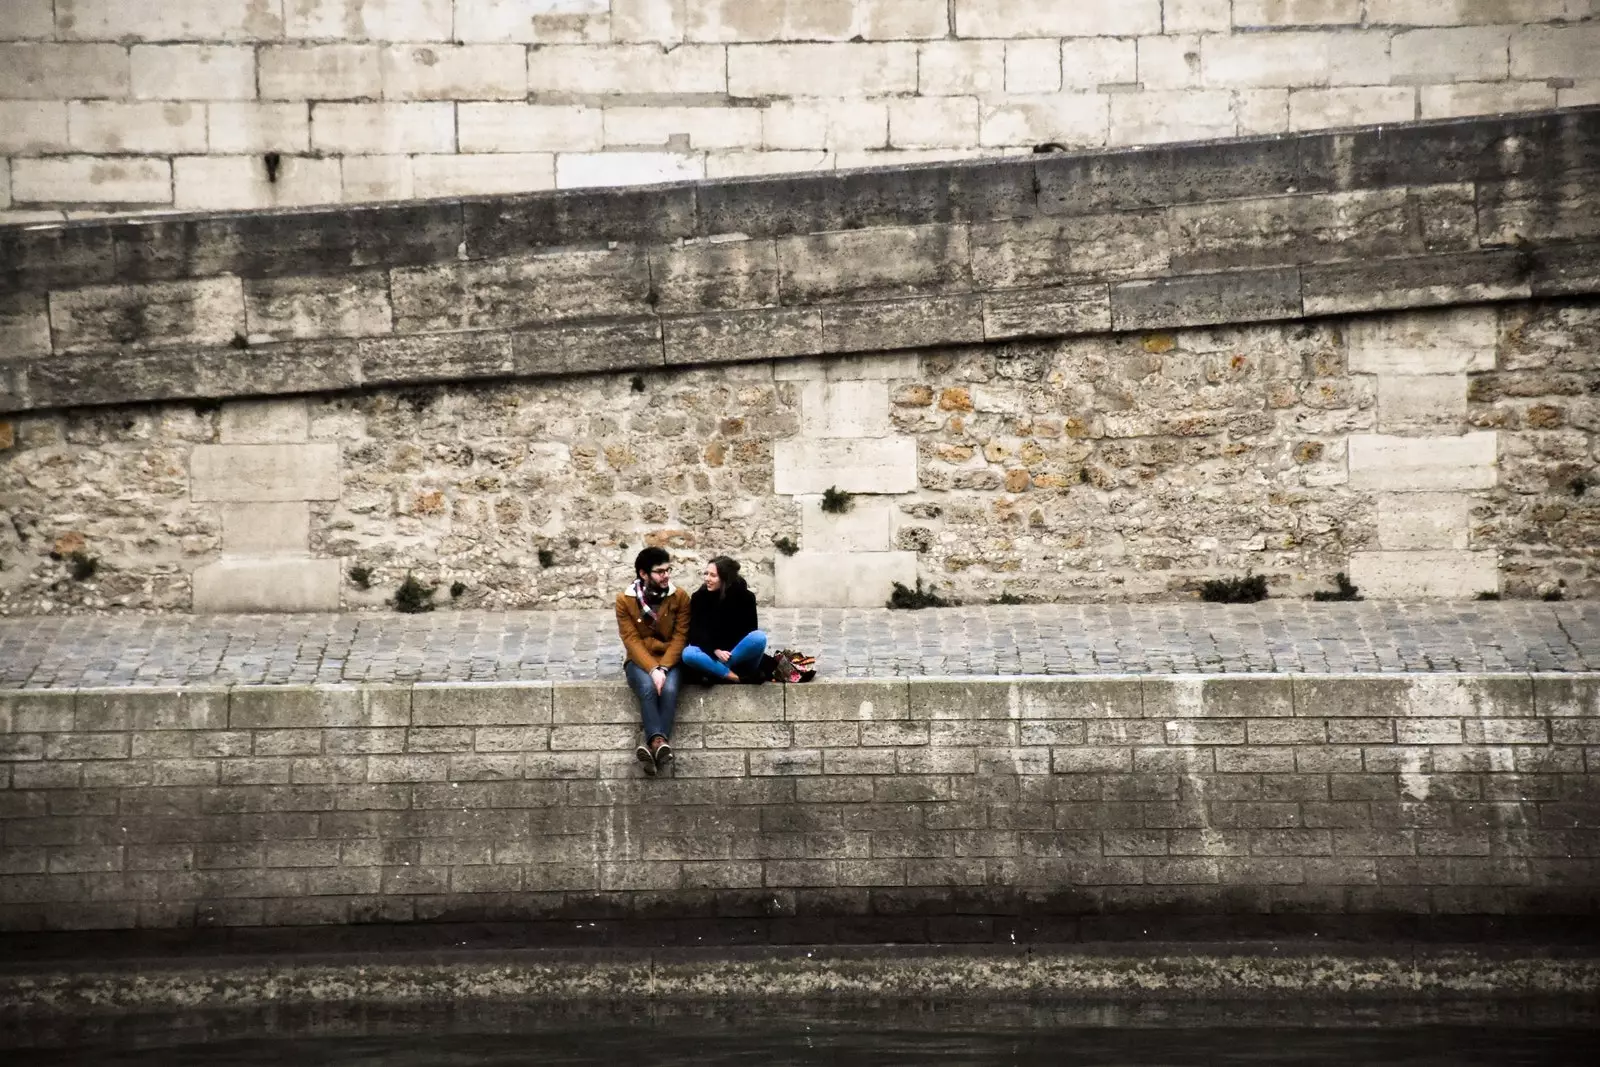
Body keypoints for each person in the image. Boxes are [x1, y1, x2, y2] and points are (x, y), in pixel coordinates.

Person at [615, 547, 689, 776]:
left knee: (670, 688)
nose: (666, 576)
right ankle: (659, 743)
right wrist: (653, 669)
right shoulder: (624, 601)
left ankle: (651, 744)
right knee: (647, 688)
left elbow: (680, 636)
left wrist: (664, 667)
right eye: (659, 572)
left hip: (671, 659)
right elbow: (631, 640)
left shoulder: (680, 597)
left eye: (668, 570)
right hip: (639, 660)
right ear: (643, 574)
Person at [682, 556, 767, 683]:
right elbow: (695, 634)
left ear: (725, 578)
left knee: (759, 637)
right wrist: (715, 650)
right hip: (712, 654)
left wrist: (727, 654)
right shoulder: (699, 597)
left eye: (713, 575)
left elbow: (749, 631)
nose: (707, 579)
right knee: (688, 653)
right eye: (706, 574)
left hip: (738, 657)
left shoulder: (746, 597)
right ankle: (734, 677)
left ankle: (717, 672)